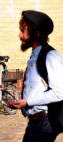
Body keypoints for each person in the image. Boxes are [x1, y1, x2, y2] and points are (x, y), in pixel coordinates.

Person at [8, 10, 63, 142]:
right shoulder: (35, 55)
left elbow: (59, 92)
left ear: (36, 33)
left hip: (45, 124)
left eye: (23, 31)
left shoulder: (50, 56)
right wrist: (22, 104)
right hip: (35, 123)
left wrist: (28, 101)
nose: (19, 35)